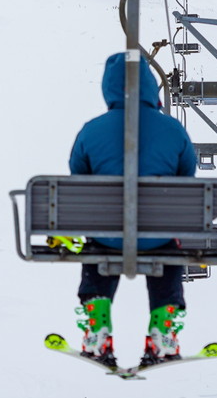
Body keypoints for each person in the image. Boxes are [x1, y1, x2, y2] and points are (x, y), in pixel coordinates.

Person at [68, 52, 197, 367]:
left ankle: (96, 326)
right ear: (151, 86)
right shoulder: (173, 129)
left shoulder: (92, 130)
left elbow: (78, 179)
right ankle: (163, 333)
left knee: (98, 247)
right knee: (169, 252)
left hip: (107, 235)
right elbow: (187, 177)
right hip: (158, 235)